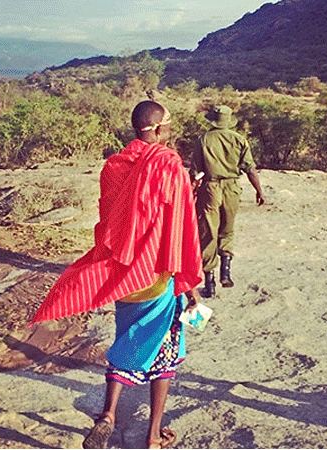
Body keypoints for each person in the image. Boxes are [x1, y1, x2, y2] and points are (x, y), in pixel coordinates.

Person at [30, 101, 203, 449]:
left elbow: (112, 221)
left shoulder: (114, 164)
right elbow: (178, 225)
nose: (171, 131)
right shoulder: (168, 164)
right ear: (155, 128)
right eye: (168, 125)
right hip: (157, 275)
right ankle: (153, 435)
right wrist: (189, 285)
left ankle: (108, 414)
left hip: (123, 278)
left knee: (127, 339)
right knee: (165, 350)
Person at [191, 105, 265, 298]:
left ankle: (210, 282)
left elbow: (196, 171)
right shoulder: (240, 140)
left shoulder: (203, 140)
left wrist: (191, 192)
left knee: (208, 232)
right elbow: (250, 168)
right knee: (228, 228)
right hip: (232, 188)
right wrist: (259, 191)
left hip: (210, 188)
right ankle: (226, 272)